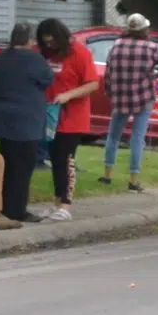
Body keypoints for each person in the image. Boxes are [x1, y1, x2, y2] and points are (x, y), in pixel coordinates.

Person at [0, 21, 56, 224]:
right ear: (30, 40)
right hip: (26, 121)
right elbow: (47, 80)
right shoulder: (35, 59)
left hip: (2, 119)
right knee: (23, 167)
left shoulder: (1, 58)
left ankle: (4, 205)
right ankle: (17, 210)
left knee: (7, 164)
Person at [31, 17, 99, 220]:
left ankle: (66, 205)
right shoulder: (43, 53)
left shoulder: (79, 53)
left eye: (53, 41)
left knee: (66, 159)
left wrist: (69, 95)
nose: (50, 46)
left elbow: (92, 84)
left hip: (71, 116)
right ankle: (57, 202)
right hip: (49, 114)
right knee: (55, 158)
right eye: (46, 42)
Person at [99, 14, 158, 192]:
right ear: (144, 29)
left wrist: (110, 92)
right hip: (143, 96)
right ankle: (133, 180)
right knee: (137, 138)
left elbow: (108, 72)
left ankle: (107, 175)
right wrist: (157, 75)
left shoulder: (116, 45)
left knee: (113, 137)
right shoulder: (151, 47)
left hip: (120, 98)